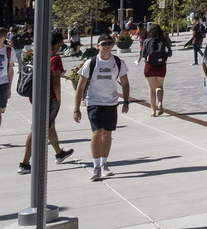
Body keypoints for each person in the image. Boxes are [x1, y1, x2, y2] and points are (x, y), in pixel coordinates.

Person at [72, 32, 131, 181]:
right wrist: (76, 109)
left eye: (109, 44)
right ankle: (96, 166)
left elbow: (125, 83)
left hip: (111, 103)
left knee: (107, 134)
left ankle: (104, 164)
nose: (107, 47)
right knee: (97, 133)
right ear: (98, 46)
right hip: (94, 102)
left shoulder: (118, 62)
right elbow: (80, 87)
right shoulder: (91, 63)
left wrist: (126, 102)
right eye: (103, 44)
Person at [19, 29, 75, 174]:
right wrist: (59, 98)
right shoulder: (54, 58)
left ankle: (59, 153)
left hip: (35, 96)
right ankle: (24, 163)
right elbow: (56, 81)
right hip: (48, 98)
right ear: (59, 43)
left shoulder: (38, 55)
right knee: (37, 128)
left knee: (50, 125)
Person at [140, 24, 173, 117]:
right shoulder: (164, 40)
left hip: (149, 66)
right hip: (161, 66)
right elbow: (169, 53)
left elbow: (143, 54)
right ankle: (160, 103)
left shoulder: (146, 41)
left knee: (151, 89)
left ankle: (153, 111)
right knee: (160, 86)